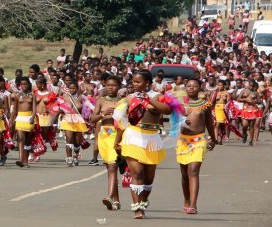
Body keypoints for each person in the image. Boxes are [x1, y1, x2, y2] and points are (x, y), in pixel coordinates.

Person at [113, 69, 175, 219]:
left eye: (138, 82)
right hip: (133, 137)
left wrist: (149, 100)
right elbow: (120, 121)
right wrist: (117, 141)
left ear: (147, 83)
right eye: (133, 81)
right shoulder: (128, 99)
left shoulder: (158, 97)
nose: (134, 84)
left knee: (148, 178)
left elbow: (167, 110)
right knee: (138, 174)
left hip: (152, 138)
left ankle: (142, 202)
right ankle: (137, 209)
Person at [177, 78, 216, 215]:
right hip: (183, 141)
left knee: (193, 171)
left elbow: (210, 123)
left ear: (200, 87)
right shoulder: (179, 104)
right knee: (184, 174)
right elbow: (172, 121)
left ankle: (193, 204)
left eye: (194, 86)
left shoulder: (205, 104)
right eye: (188, 86)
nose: (191, 88)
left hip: (198, 141)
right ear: (185, 87)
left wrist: (214, 138)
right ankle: (186, 201)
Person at [91, 74, 122, 211]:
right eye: (108, 85)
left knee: (113, 167)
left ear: (119, 87)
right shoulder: (101, 100)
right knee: (110, 169)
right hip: (104, 135)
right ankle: (116, 200)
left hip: (118, 136)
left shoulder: (123, 101)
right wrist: (104, 115)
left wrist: (118, 115)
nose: (111, 87)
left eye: (114, 85)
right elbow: (92, 118)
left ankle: (109, 196)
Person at [57, 81, 89, 167]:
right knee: (69, 138)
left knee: (77, 141)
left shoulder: (82, 98)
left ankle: (76, 154)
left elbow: (88, 110)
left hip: (79, 120)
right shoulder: (65, 96)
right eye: (70, 88)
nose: (72, 90)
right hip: (67, 119)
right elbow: (59, 107)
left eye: (74, 88)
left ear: (78, 89)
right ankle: (69, 158)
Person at [9, 76, 35, 168]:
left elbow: (34, 108)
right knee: (20, 138)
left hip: (29, 118)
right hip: (20, 118)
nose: (23, 86)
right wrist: (11, 120)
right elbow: (15, 109)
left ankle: (26, 161)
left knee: (27, 140)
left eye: (25, 84)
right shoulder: (17, 95)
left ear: (28, 85)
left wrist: (33, 117)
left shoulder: (32, 95)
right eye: (22, 84)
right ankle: (20, 159)